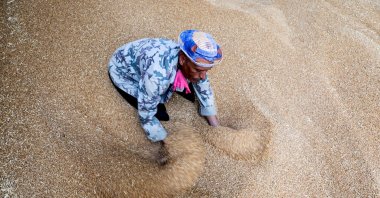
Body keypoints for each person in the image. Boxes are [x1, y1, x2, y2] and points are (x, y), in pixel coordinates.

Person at [108, 29, 222, 147]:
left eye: (206, 70)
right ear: (183, 59)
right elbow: (146, 113)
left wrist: (215, 126)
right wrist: (167, 143)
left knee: (193, 88)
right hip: (123, 72)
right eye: (198, 70)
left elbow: (203, 85)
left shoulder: (192, 60)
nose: (203, 76)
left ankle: (184, 78)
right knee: (161, 114)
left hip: (150, 61)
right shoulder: (157, 76)